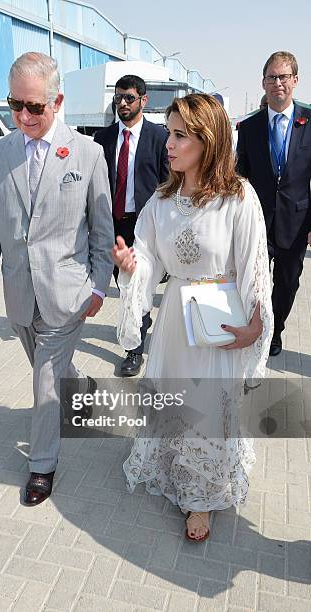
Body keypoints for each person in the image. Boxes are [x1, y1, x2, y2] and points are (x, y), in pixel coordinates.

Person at [112, 94, 273, 542]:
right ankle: (174, 469)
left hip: (217, 320)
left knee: (208, 409)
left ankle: (200, 497)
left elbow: (256, 266)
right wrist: (133, 266)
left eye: (181, 135)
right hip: (174, 325)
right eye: (170, 132)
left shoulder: (237, 198)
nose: (170, 143)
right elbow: (147, 256)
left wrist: (256, 324)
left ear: (208, 140)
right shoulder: (162, 201)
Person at [0, 52, 114, 506]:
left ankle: (42, 465)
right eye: (16, 105)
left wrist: (97, 285)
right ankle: (84, 390)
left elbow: (102, 227)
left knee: (44, 380)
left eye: (34, 107)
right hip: (19, 294)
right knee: (47, 369)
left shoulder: (88, 154)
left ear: (58, 101)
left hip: (68, 292)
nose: (24, 116)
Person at [237, 51, 311, 356]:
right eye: (272, 77)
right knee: (253, 282)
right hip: (257, 221)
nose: (277, 82)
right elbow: (240, 177)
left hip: (296, 223)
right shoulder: (249, 127)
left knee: (287, 284)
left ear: (295, 80)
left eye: (283, 76)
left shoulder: (309, 121)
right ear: (263, 82)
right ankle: (256, 327)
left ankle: (276, 328)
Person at [94, 75, 168, 376]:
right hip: (113, 226)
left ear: (143, 100)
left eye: (129, 98)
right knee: (124, 288)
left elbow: (168, 185)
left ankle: (134, 349)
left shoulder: (159, 138)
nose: (122, 103)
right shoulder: (103, 138)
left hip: (144, 227)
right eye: (118, 97)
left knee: (136, 288)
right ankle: (135, 331)